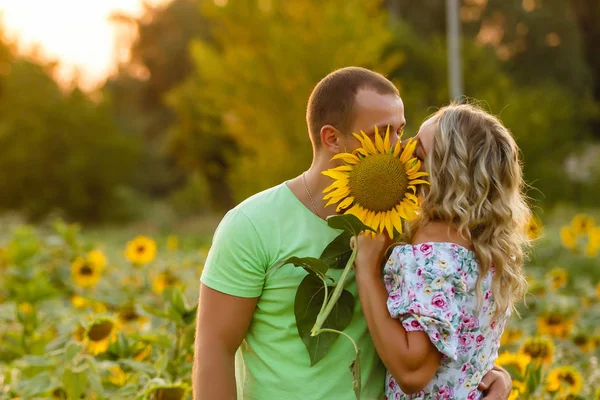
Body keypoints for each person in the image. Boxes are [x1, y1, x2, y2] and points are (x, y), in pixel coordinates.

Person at [193, 67, 513, 399]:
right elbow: (215, 349)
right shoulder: (253, 224)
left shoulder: (409, 225)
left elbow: (448, 319)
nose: (398, 147)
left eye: (400, 131)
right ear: (332, 138)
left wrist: (492, 374)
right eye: (382, 133)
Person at [353, 103, 529, 399]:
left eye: (419, 151)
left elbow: (413, 373)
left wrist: (368, 270)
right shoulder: (485, 243)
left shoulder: (434, 250)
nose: (404, 151)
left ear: (445, 173)